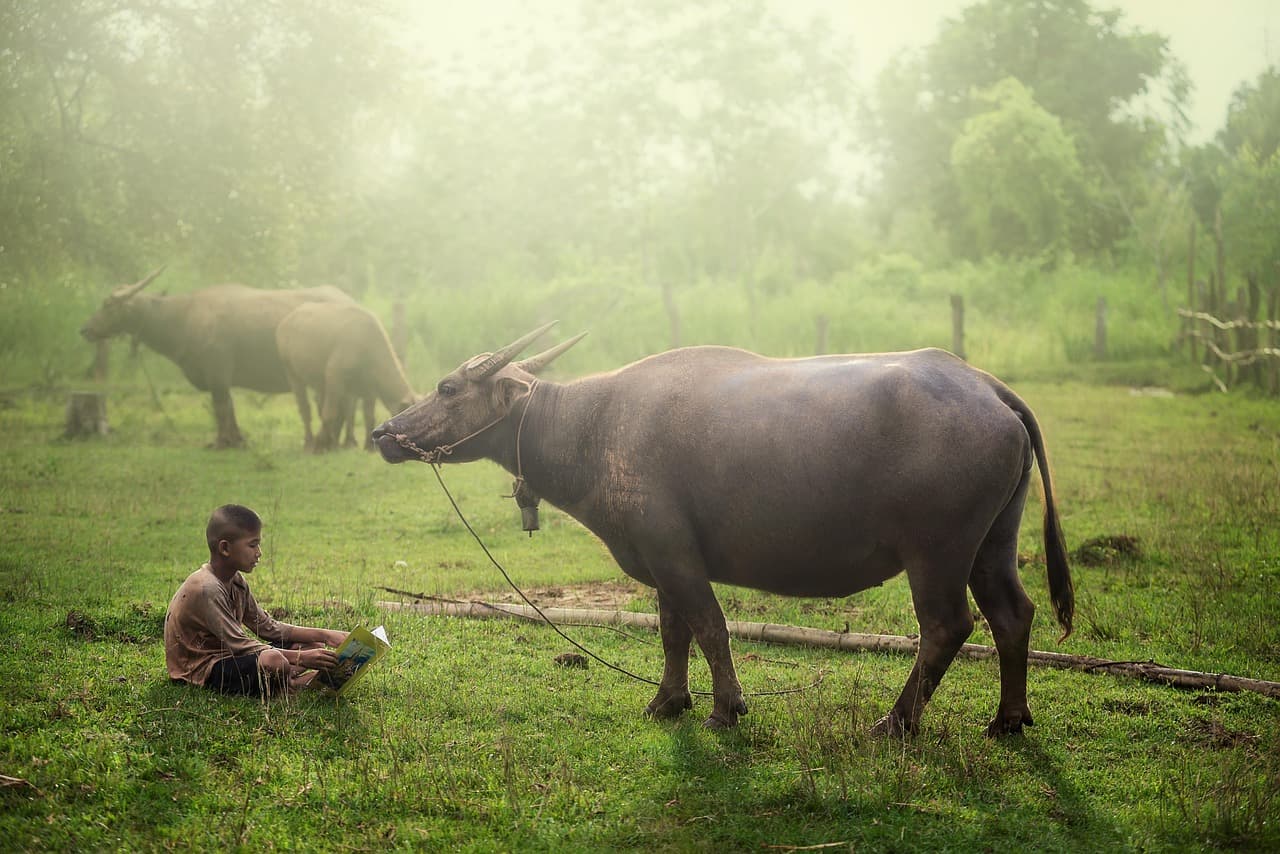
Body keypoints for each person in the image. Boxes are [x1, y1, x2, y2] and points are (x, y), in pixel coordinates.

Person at [164, 504, 347, 698]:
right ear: (225, 548)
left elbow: (267, 627)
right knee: (274, 661)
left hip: (232, 657)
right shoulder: (207, 588)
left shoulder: (236, 581)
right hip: (204, 668)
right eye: (252, 545)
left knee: (314, 644)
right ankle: (293, 684)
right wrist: (301, 658)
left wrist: (326, 635)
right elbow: (240, 645)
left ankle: (289, 679)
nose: (259, 552)